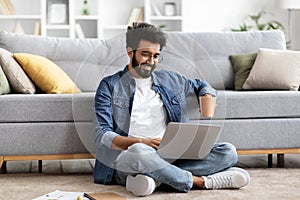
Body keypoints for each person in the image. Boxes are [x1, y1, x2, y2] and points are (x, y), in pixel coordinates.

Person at [93, 22, 250, 196]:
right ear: (130, 52)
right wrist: (142, 142)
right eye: (145, 54)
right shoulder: (109, 85)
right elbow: (103, 135)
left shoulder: (170, 79)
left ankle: (156, 178)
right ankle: (199, 181)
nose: (151, 62)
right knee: (141, 153)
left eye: (156, 56)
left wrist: (207, 95)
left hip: (170, 153)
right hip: (131, 155)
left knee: (228, 152)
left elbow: (200, 84)